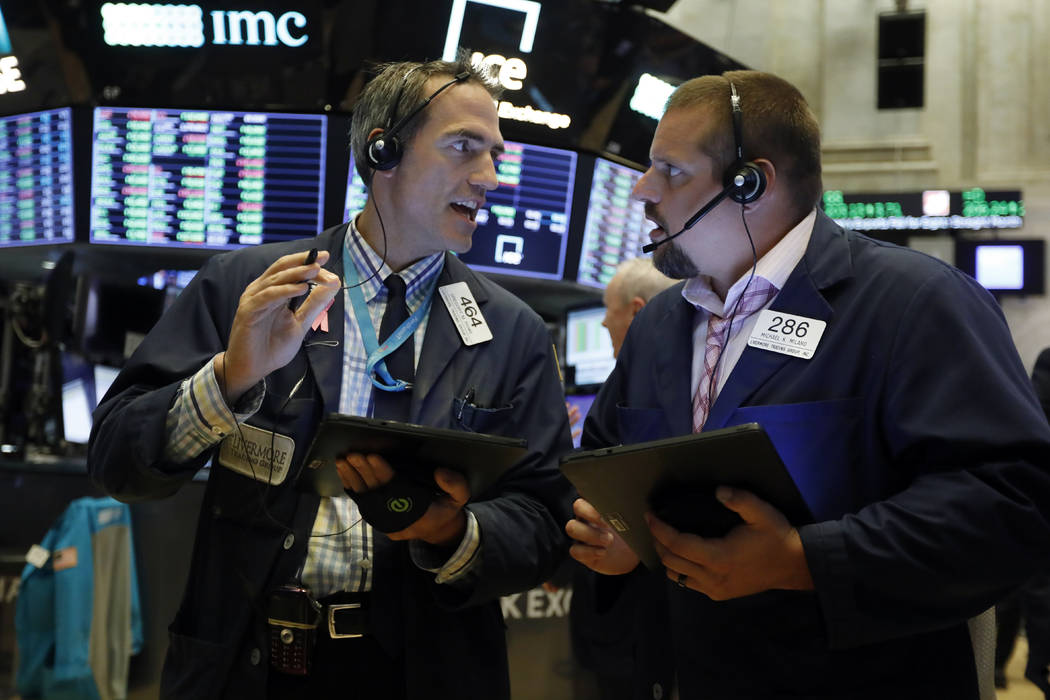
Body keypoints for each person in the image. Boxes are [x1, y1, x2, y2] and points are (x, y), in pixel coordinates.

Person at [88, 57, 574, 700]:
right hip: (248, 662)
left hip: (423, 668)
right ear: (383, 150)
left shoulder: (513, 331)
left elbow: (544, 519)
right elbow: (118, 462)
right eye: (464, 148)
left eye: (493, 154)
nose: (490, 178)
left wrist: (450, 531)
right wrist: (230, 378)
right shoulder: (248, 288)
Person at [566, 69, 1050, 699]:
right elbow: (601, 462)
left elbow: (1012, 501)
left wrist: (805, 561)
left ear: (751, 183)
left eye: (671, 170)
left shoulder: (915, 303)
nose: (641, 189)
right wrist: (611, 532)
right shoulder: (662, 322)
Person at [567, 256, 675, 700]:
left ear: (635, 311)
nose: (604, 325)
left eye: (607, 313)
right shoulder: (632, 381)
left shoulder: (659, 378)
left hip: (643, 633)